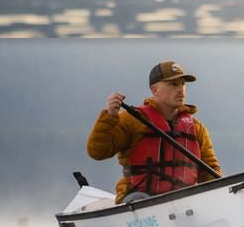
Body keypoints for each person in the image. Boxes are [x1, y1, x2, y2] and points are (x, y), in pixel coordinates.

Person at [86, 61, 221, 204]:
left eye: (183, 84)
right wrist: (110, 116)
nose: (181, 90)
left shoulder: (196, 128)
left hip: (184, 203)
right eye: (173, 84)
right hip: (138, 199)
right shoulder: (132, 120)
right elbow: (98, 152)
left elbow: (210, 171)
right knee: (140, 200)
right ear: (155, 90)